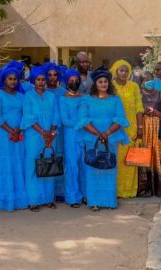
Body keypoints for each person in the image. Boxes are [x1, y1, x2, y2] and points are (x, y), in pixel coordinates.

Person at [76, 66, 130, 211]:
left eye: (105, 81)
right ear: (95, 84)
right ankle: (93, 201)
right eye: (100, 82)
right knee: (93, 169)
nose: (103, 84)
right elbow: (83, 120)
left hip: (110, 138)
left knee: (109, 168)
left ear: (109, 83)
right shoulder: (86, 100)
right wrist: (98, 134)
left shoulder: (115, 99)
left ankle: (109, 201)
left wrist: (106, 134)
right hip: (92, 139)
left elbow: (120, 119)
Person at [0, 61, 28, 212]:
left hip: (20, 131)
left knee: (19, 159)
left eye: (15, 79)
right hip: (4, 133)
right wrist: (10, 130)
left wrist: (19, 128)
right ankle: (5, 198)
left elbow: (26, 113)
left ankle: (18, 197)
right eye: (9, 79)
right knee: (5, 161)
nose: (12, 81)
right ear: (3, 80)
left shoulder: (21, 96)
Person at [21, 66, 60, 212]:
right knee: (33, 166)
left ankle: (49, 199)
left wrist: (52, 133)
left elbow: (56, 115)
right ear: (33, 80)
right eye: (38, 79)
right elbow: (29, 117)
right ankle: (33, 201)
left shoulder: (51, 96)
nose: (41, 82)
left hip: (51, 136)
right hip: (34, 136)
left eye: (43, 79)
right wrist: (44, 133)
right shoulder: (28, 96)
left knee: (48, 165)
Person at [110, 60, 144, 198]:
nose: (123, 73)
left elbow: (139, 108)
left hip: (131, 128)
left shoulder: (134, 86)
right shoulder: (110, 86)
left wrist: (140, 127)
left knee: (130, 159)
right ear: (115, 71)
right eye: (120, 70)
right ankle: (116, 190)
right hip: (114, 128)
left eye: (126, 70)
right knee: (116, 159)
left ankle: (129, 190)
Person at [138, 71, 161, 198]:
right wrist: (143, 113)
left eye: (151, 79)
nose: (149, 82)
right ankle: (146, 188)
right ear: (142, 83)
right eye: (146, 80)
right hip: (144, 129)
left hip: (158, 129)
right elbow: (136, 111)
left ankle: (159, 188)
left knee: (157, 156)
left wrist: (158, 113)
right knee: (145, 157)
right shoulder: (139, 95)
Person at [59, 68, 86, 207]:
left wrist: (85, 125)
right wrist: (81, 124)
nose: (74, 83)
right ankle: (72, 197)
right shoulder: (63, 99)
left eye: (76, 81)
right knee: (72, 165)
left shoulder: (84, 97)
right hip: (70, 136)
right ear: (66, 82)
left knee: (85, 165)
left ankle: (86, 194)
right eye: (71, 81)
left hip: (86, 135)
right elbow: (65, 120)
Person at [43, 62, 67, 202]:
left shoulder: (63, 92)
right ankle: (48, 192)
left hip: (62, 130)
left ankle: (60, 191)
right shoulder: (42, 93)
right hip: (46, 131)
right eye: (49, 75)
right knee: (48, 158)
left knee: (60, 158)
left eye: (55, 75)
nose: (52, 78)